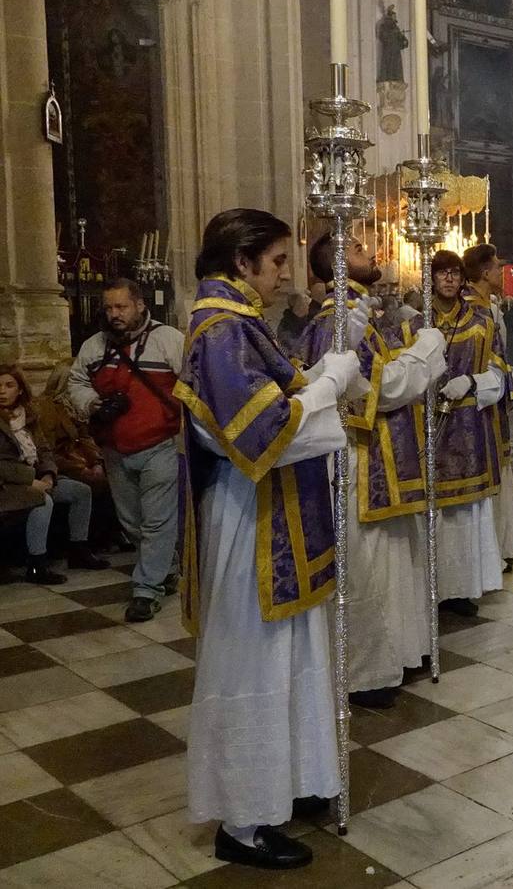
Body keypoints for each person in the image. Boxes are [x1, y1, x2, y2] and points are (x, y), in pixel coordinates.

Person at [176, 208, 361, 869]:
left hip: (274, 519)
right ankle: (244, 820)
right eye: (278, 260)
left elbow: (283, 405)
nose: (287, 274)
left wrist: (320, 386)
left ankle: (284, 789)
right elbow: (260, 433)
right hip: (250, 525)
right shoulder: (222, 331)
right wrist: (331, 385)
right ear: (241, 260)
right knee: (254, 666)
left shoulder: (244, 327)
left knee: (289, 662)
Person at [300, 233, 447, 710]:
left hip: (380, 456)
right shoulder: (342, 319)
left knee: (392, 561)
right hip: (357, 462)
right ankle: (365, 672)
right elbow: (372, 391)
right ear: (338, 265)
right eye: (361, 249)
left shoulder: (361, 313)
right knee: (366, 568)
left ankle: (398, 653)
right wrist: (425, 354)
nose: (375, 254)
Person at [69, 277, 184, 622]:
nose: (114, 314)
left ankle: (145, 591)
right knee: (131, 521)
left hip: (159, 444)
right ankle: (166, 568)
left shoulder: (168, 341)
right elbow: (76, 383)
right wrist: (92, 404)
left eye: (121, 306)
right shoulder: (93, 347)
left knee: (157, 520)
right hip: (114, 447)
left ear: (139, 305)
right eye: (108, 308)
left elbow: (193, 383)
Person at [427, 250, 506, 615]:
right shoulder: (415, 323)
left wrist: (472, 381)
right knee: (433, 511)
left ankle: (460, 588)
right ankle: (432, 586)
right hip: (427, 428)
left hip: (468, 426)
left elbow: (499, 372)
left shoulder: (480, 321)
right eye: (442, 273)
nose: (449, 280)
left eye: (455, 274)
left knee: (464, 514)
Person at [463, 243, 513, 566]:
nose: (501, 272)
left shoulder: (489, 305)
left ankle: (510, 538)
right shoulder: (471, 309)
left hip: (493, 399)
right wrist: (505, 379)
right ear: (483, 272)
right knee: (491, 473)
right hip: (478, 402)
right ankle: (493, 548)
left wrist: (511, 376)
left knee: (503, 469)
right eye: (496, 267)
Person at [0, 366, 108, 584]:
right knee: (42, 500)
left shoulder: (28, 415)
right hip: (8, 483)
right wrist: (32, 479)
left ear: (20, 390)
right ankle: (37, 564)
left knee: (80, 491)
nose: (2, 391)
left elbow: (44, 450)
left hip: (36, 476)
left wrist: (48, 475)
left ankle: (79, 549)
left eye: (8, 385)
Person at [34, 360, 124, 551]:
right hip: (62, 463)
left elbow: (85, 437)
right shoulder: (47, 407)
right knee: (98, 484)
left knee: (115, 473)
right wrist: (79, 468)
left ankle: (113, 533)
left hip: (79, 458)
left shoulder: (76, 407)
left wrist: (97, 462)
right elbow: (47, 449)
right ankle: (100, 538)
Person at [276, 286, 315, 355]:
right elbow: (295, 350)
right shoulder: (286, 326)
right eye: (305, 302)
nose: (308, 306)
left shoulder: (308, 320)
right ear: (299, 305)